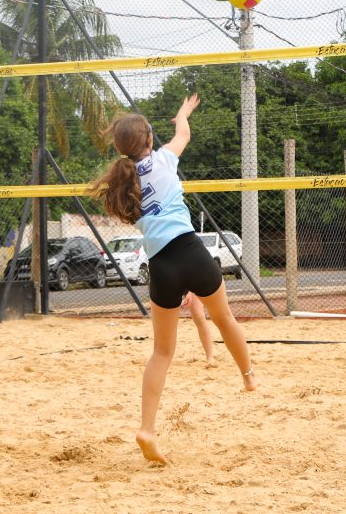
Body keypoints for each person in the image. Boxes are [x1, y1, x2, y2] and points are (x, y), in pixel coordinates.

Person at [90, 94, 257, 465]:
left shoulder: (127, 180)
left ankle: (147, 428)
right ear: (149, 141)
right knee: (224, 317)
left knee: (162, 352)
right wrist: (183, 112)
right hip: (191, 252)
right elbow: (183, 132)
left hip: (160, 266)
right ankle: (247, 376)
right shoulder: (165, 159)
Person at [182, 292, 213, 365]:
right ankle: (162, 354)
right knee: (167, 320)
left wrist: (190, 291)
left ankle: (210, 357)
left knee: (198, 317)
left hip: (190, 284)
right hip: (168, 283)